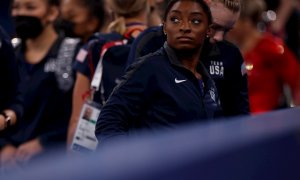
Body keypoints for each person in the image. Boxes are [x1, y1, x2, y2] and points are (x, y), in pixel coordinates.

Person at [95, 0, 223, 144]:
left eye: (195, 21)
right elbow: (108, 121)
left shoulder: (209, 82)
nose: (185, 27)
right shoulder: (149, 67)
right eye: (175, 19)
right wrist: (132, 159)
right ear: (164, 27)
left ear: (208, 30)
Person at [127, 0, 249, 117]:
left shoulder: (231, 55)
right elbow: (128, 107)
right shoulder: (150, 42)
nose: (219, 37)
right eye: (215, 27)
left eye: (226, 30)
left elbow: (240, 116)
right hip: (157, 136)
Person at [0, 0, 79, 167]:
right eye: (15, 7)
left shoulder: (72, 53)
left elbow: (81, 113)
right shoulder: (9, 53)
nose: (20, 13)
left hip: (54, 162)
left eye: (30, 7)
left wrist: (44, 142)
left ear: (52, 13)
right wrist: (4, 145)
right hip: (8, 164)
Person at [66, 0, 150, 149]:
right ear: (150, 3)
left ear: (109, 6)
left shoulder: (94, 46)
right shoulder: (163, 45)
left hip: (103, 152)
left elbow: (76, 123)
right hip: (150, 150)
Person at [226, 0, 300, 113]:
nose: (228, 28)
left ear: (246, 23)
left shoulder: (271, 48)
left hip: (267, 123)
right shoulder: (230, 52)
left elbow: (297, 81)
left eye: (232, 22)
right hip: (238, 123)